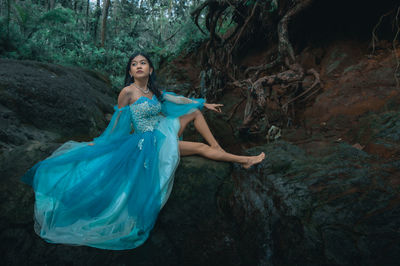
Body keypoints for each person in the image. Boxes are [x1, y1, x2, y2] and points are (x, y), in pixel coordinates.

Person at [21, 52, 265, 250]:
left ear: (149, 70)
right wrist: (102, 143)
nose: (138, 66)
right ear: (130, 72)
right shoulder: (128, 92)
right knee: (199, 147)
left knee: (194, 112)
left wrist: (203, 102)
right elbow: (118, 122)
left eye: (143, 63)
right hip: (147, 141)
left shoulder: (155, 91)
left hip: (162, 131)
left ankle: (219, 148)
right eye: (134, 64)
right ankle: (243, 159)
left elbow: (178, 99)